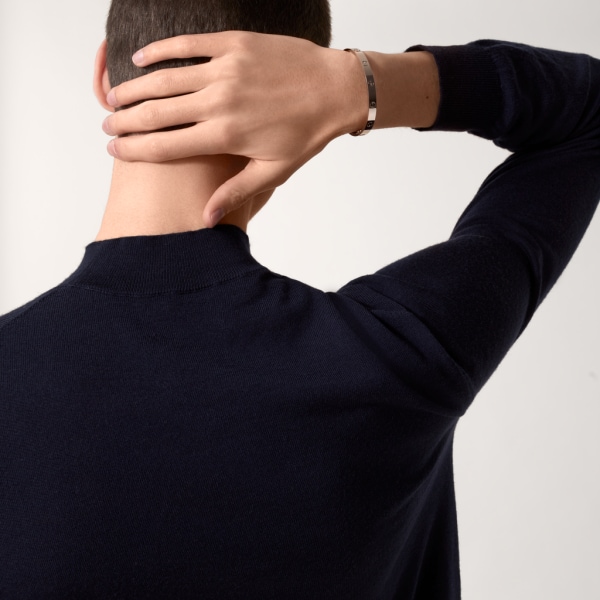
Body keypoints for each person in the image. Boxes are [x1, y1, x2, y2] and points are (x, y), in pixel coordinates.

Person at [1, 0, 599, 598]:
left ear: (103, 75)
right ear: (305, 96)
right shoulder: (391, 354)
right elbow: (589, 109)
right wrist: (362, 85)